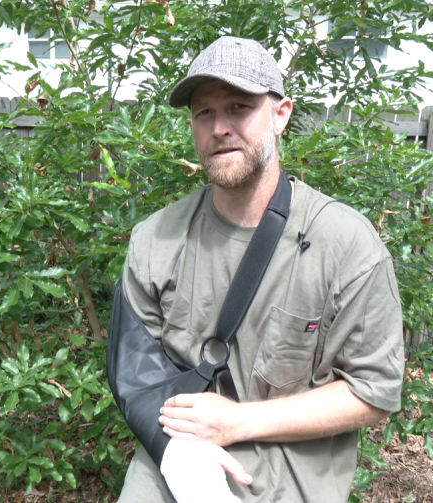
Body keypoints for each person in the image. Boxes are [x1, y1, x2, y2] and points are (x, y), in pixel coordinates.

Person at [116, 35, 405, 502]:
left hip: (289, 484)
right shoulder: (156, 238)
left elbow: (373, 392)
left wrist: (237, 422)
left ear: (281, 115)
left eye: (238, 106)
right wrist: (185, 463)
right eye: (203, 112)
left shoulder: (347, 243)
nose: (220, 127)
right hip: (175, 467)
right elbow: (135, 375)